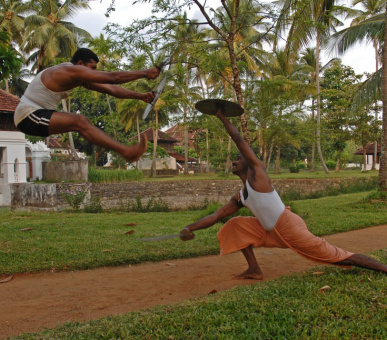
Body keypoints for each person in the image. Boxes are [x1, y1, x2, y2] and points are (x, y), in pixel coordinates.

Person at [180, 103, 387, 280]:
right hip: (269, 230)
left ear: (248, 162)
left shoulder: (258, 176)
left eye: (238, 158)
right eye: (234, 159)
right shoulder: (240, 196)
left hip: (288, 225)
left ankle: (383, 268)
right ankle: (254, 269)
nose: (234, 161)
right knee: (235, 225)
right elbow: (217, 216)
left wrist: (221, 116)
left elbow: (239, 140)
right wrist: (190, 228)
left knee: (335, 254)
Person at [14, 48, 161, 162]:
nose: (94, 73)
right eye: (92, 68)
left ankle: (126, 152)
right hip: (27, 116)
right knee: (80, 121)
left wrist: (141, 96)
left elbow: (111, 89)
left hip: (40, 114)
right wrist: (145, 73)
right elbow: (112, 78)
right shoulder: (67, 71)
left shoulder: (78, 77)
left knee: (81, 122)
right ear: (79, 64)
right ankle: (127, 152)